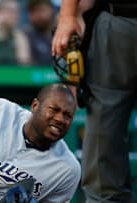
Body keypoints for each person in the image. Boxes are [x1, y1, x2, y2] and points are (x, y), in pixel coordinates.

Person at [52, 0, 137, 202]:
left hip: (118, 23)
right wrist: (67, 16)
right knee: (104, 133)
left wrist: (68, 16)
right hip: (118, 20)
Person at [24, 0, 55, 66]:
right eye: (33, 11)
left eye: (41, 10)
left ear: (51, 10)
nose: (38, 15)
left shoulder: (63, 33)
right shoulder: (24, 36)